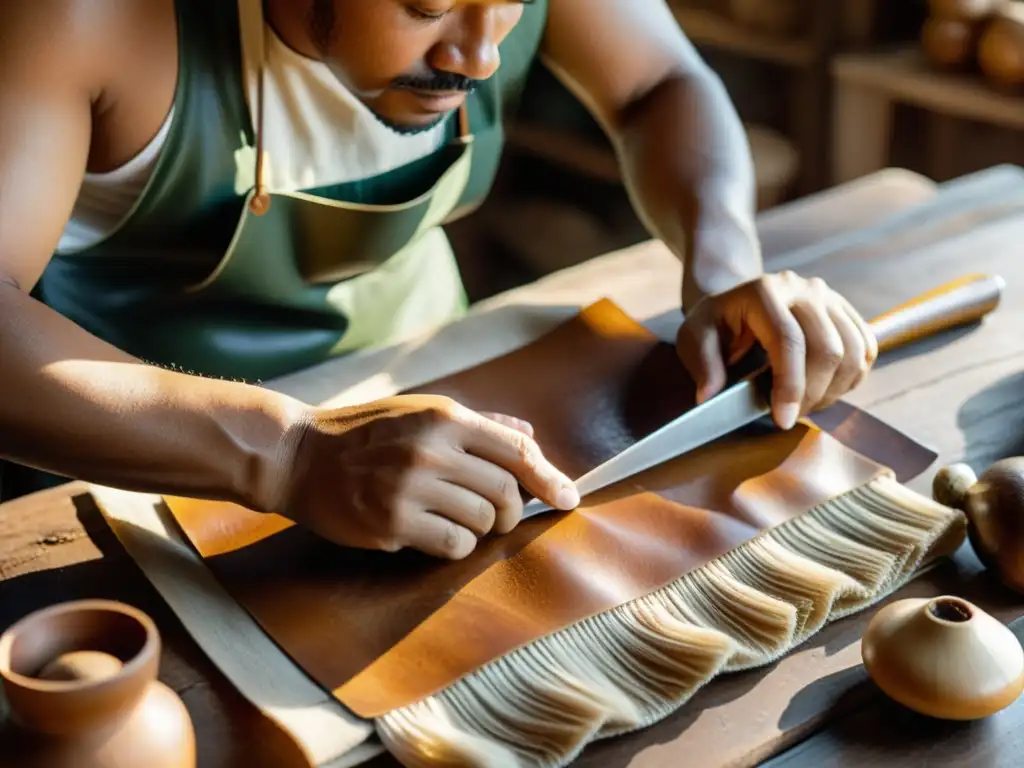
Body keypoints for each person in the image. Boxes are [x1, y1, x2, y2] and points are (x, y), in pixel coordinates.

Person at [0, 0, 878, 559]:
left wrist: (723, 268)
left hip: (438, 376)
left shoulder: (479, 25)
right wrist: (293, 454)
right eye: (427, 6)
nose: (481, 55)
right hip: (148, 453)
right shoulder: (91, 20)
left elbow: (659, 80)